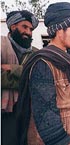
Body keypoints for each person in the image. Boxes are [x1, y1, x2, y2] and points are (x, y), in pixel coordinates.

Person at [15, 2, 70, 145]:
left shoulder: (66, 59)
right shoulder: (43, 64)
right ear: (59, 30)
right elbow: (44, 115)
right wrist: (65, 142)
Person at [1, 10, 39, 145]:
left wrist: (14, 69)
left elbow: (37, 77)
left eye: (31, 29)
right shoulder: (1, 45)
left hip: (27, 111)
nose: (28, 32)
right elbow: (29, 77)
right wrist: (25, 77)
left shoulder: (35, 53)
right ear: (13, 27)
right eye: (24, 27)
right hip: (5, 113)